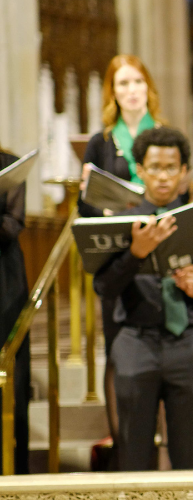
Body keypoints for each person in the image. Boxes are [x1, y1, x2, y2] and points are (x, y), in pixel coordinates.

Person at [92, 127, 193, 470]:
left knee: (188, 456)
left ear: (184, 172)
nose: (162, 176)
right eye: (154, 167)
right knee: (133, 455)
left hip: (188, 344)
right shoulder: (121, 222)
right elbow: (104, 288)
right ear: (139, 170)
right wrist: (134, 253)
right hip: (134, 343)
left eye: (171, 167)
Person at [78, 56, 171, 461]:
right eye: (121, 84)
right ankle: (124, 443)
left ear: (147, 87)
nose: (130, 90)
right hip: (117, 258)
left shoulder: (165, 135)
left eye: (136, 81)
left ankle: (163, 437)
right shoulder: (100, 142)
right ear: (112, 93)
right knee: (118, 348)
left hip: (161, 251)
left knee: (164, 350)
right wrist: (102, 206)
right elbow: (87, 207)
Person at [0, 147, 30, 474]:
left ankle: (12, 471)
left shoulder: (9, 163)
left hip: (4, 281)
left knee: (12, 376)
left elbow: (11, 225)